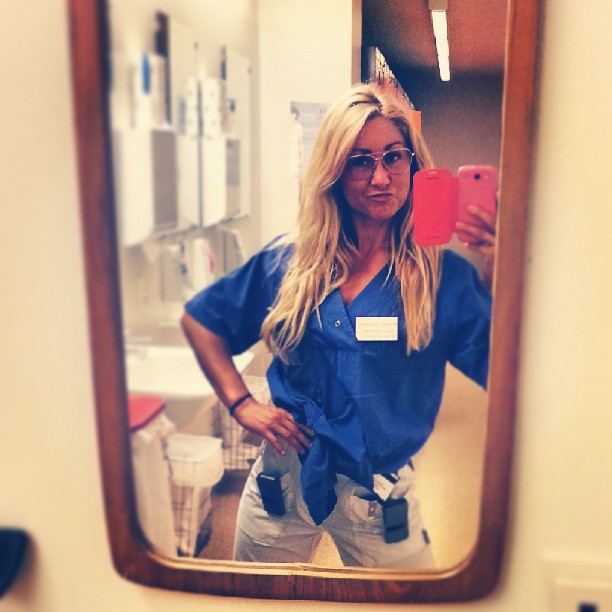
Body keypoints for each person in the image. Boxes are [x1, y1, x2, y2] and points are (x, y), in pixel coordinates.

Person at [181, 83, 496, 568]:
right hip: (282, 486)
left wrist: (504, 275)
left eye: (394, 157)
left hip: (379, 497)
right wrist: (242, 404)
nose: (381, 177)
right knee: (258, 600)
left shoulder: (439, 278)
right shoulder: (290, 262)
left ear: (413, 162)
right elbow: (202, 321)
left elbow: (504, 367)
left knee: (410, 601)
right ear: (334, 171)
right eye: (359, 161)